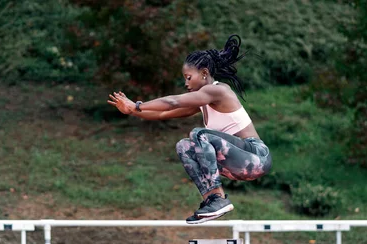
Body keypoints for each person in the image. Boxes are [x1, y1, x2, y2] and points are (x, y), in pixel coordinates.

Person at [107, 35, 272, 224]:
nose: (186, 84)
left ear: (204, 73)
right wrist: (132, 112)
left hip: (257, 156)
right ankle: (212, 199)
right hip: (239, 165)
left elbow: (172, 102)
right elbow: (163, 114)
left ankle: (219, 200)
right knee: (184, 146)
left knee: (198, 134)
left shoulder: (218, 91)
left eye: (188, 77)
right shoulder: (202, 102)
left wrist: (137, 105)